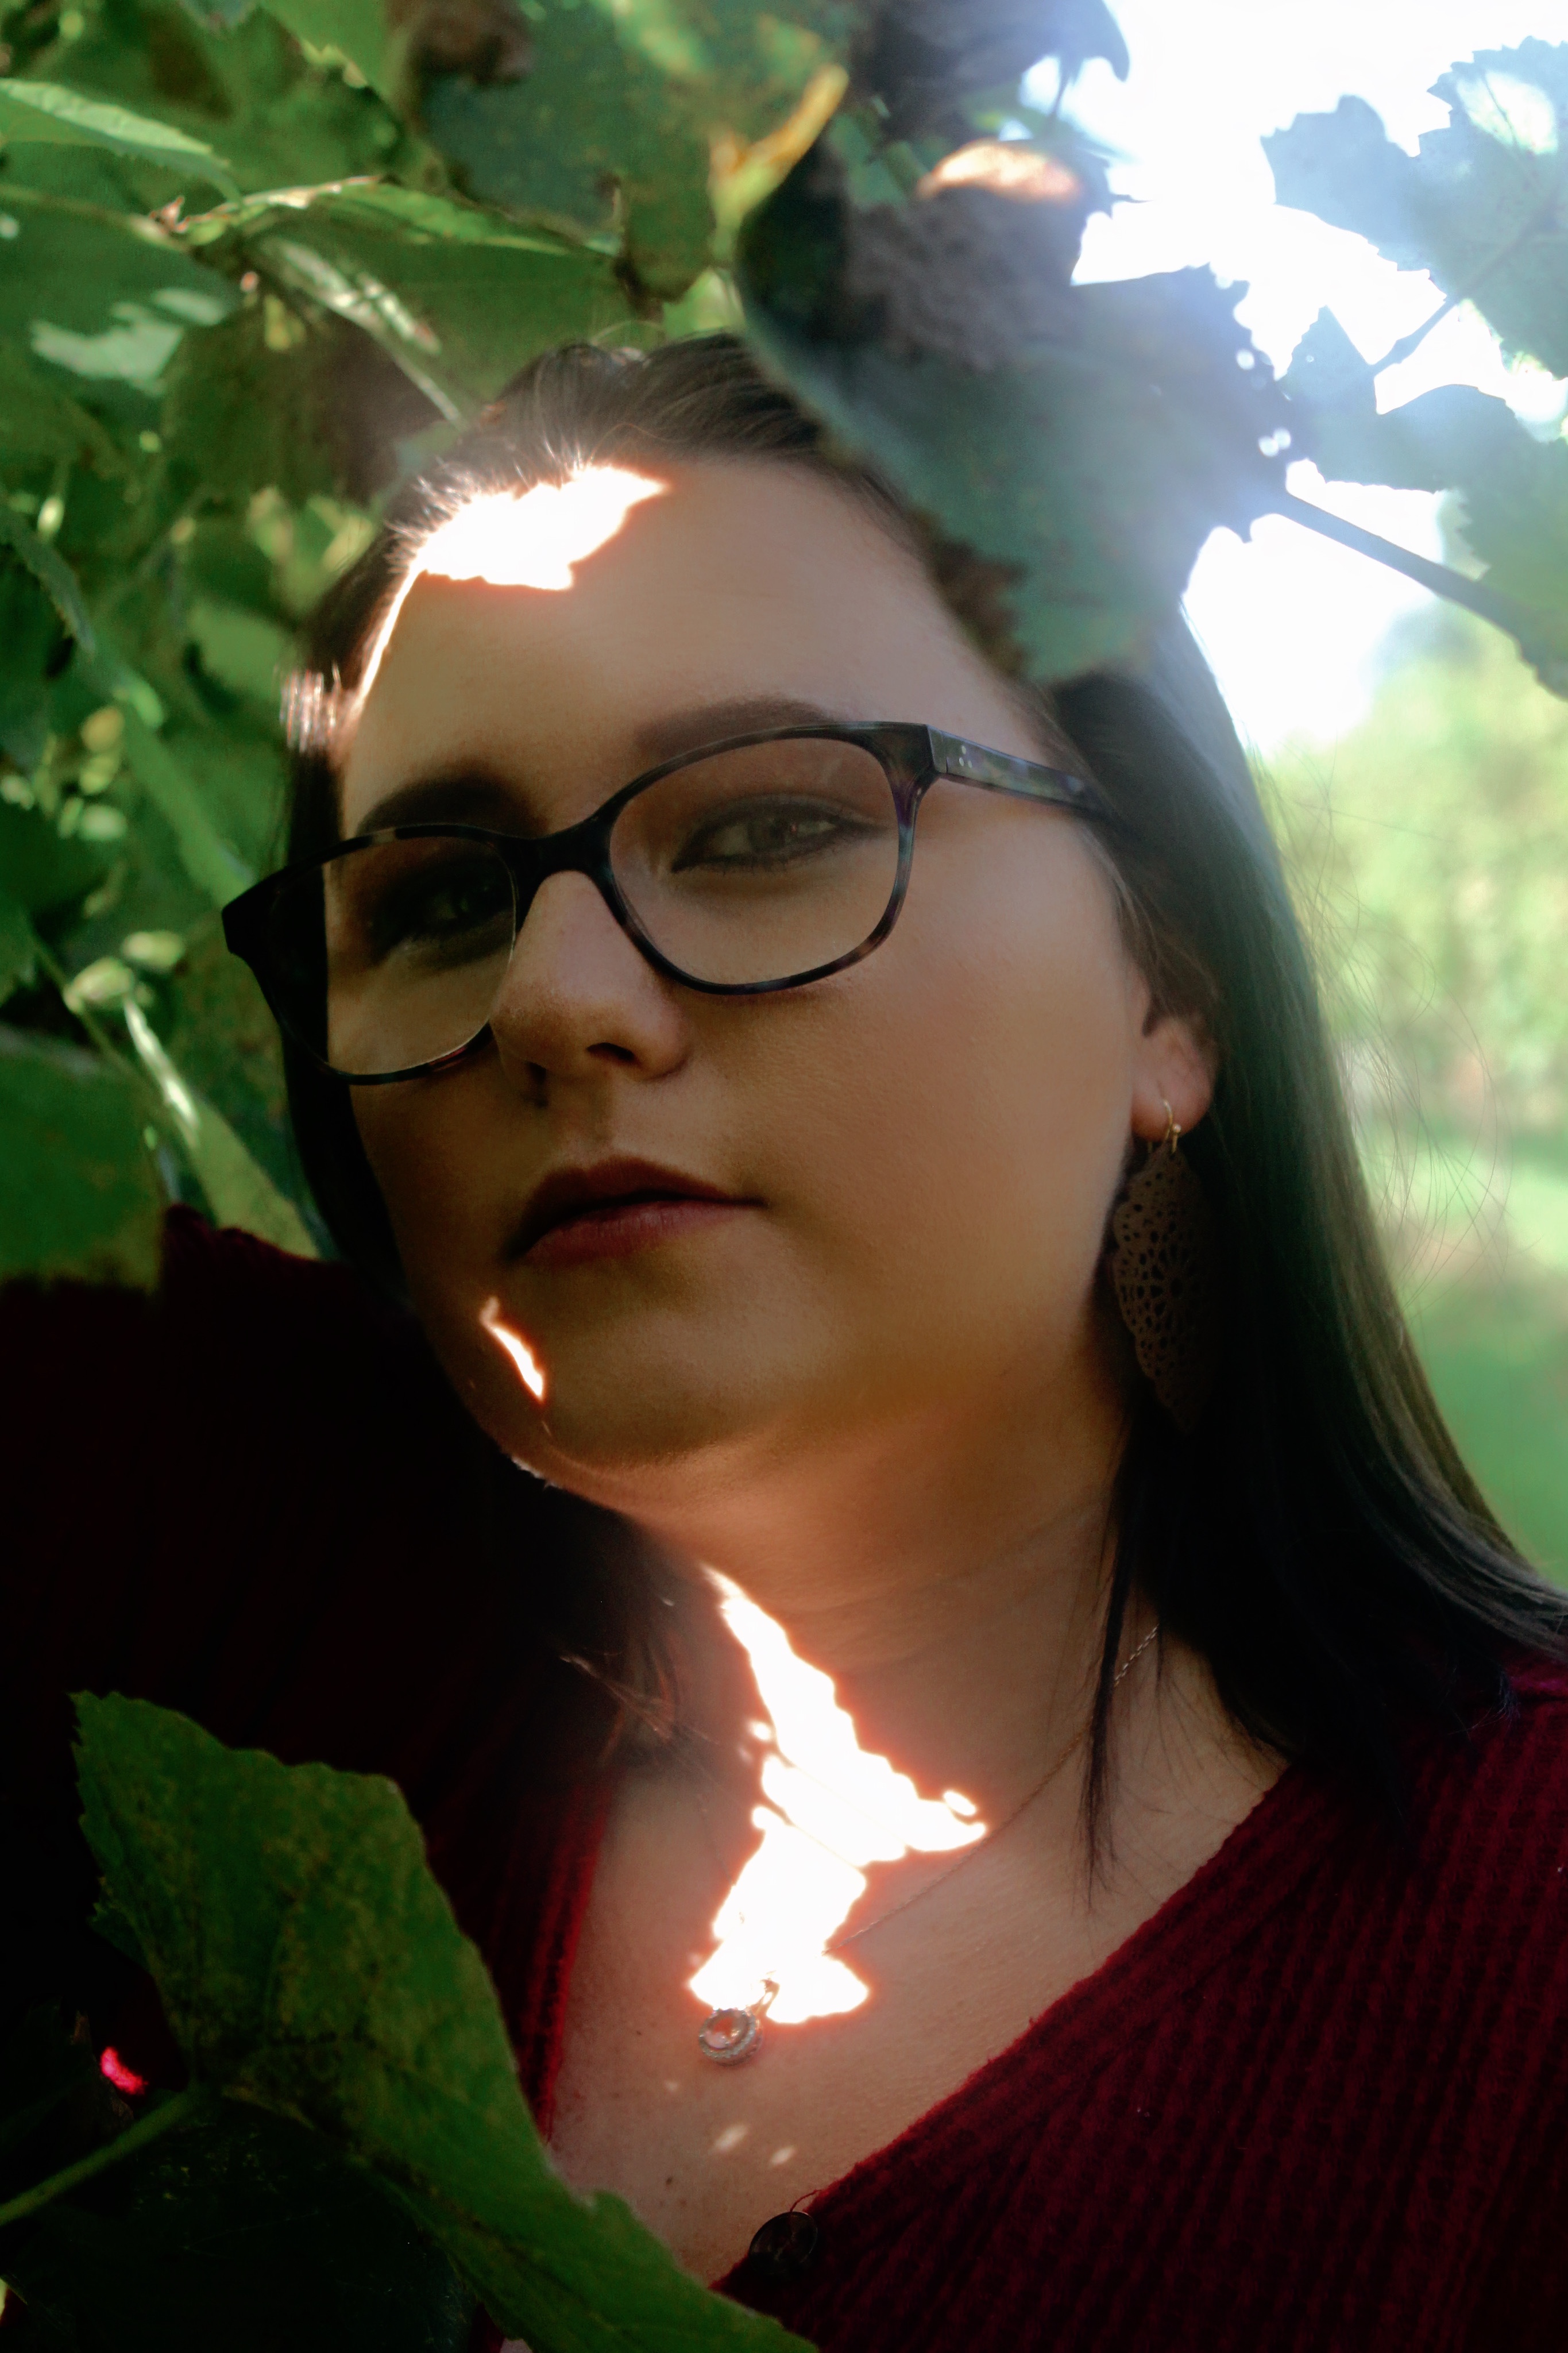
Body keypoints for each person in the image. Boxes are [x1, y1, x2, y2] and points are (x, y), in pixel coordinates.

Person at [5, 334, 1567, 2350]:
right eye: (438, 904)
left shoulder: (1525, 1959)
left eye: (760, 829)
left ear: (1166, 989)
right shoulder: (222, 1565)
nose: (555, 998)